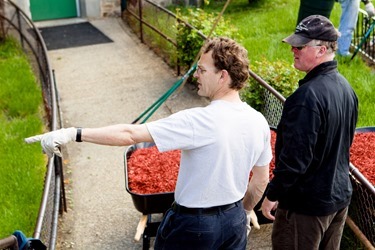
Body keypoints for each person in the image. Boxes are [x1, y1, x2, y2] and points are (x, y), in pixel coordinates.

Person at [25, 37, 273, 250]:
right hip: (233, 220)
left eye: (202, 70)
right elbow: (260, 180)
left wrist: (72, 133)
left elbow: (130, 134)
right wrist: (242, 212)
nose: (196, 75)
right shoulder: (258, 121)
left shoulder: (200, 119)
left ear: (223, 76)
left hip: (194, 227)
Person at [261, 15, 358, 250]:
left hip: (306, 207)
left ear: (321, 50)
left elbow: (295, 161)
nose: (293, 49)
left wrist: (271, 195)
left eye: (300, 46)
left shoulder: (306, 98)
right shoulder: (346, 88)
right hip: (337, 199)